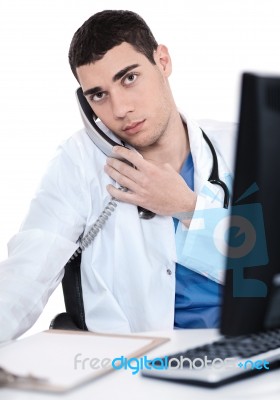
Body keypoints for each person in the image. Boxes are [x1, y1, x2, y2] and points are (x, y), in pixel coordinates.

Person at [0, 10, 236, 342]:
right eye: (98, 95)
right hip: (138, 371)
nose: (120, 109)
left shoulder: (240, 144)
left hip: (249, 354)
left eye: (129, 78)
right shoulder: (79, 161)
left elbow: (269, 268)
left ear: (163, 62)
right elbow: (27, 272)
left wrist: (187, 208)